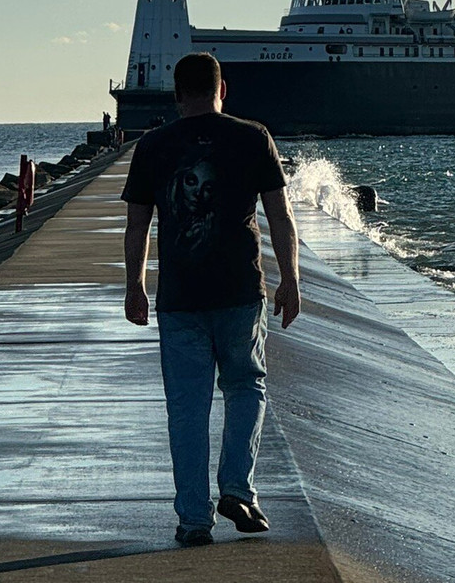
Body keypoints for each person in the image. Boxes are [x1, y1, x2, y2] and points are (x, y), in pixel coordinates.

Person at [121, 52, 300, 547]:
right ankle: (238, 489)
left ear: (177, 94)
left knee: (187, 407)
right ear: (224, 90)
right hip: (241, 291)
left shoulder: (153, 145)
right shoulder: (252, 136)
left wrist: (135, 285)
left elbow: (139, 225)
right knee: (246, 386)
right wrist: (291, 279)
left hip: (180, 298)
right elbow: (280, 217)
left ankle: (194, 520)